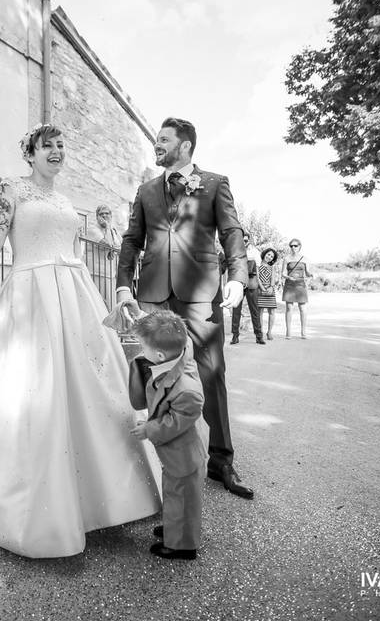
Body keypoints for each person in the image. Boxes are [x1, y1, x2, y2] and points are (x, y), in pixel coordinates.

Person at [0, 124, 162, 558]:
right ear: (31, 153)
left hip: (75, 297)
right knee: (26, 391)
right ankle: (22, 494)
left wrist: (102, 230)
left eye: (62, 145)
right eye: (48, 146)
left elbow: (82, 245)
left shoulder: (63, 200)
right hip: (30, 298)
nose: (57, 151)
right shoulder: (11, 191)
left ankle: (103, 492)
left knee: (91, 388)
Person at [116, 116, 254, 500]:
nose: (156, 144)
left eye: (164, 140)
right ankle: (167, 459)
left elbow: (231, 231)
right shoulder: (146, 190)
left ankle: (221, 459)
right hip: (155, 293)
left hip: (201, 294)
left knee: (211, 374)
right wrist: (124, 285)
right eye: (156, 139)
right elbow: (132, 240)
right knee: (157, 376)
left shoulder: (214, 183)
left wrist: (237, 277)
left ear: (186, 145)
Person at [128, 310, 205, 561]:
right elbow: (174, 332)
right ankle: (175, 527)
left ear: (159, 355)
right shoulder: (182, 351)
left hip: (183, 456)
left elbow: (174, 423)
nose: (141, 351)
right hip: (174, 456)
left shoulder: (188, 391)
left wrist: (148, 429)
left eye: (143, 347)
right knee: (173, 494)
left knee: (183, 499)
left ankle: (182, 546)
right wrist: (142, 317)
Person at [230, 233, 264, 345]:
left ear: (249, 240)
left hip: (251, 280)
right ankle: (235, 336)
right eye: (242, 240)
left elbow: (258, 270)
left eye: (245, 240)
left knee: (254, 310)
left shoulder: (254, 251)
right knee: (236, 310)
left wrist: (260, 284)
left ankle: (259, 336)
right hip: (238, 281)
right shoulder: (235, 250)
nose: (243, 242)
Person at [281, 239, 311, 339]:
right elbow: (283, 273)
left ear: (300, 246)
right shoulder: (287, 258)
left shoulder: (305, 259)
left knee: (303, 309)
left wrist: (310, 274)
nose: (293, 248)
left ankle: (303, 332)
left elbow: (307, 272)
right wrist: (289, 277)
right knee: (289, 308)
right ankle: (288, 332)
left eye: (295, 246)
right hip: (289, 285)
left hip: (300, 285)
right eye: (291, 246)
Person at [257, 248, 280, 340]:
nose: (269, 257)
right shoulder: (258, 264)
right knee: (260, 312)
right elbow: (257, 278)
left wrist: (271, 287)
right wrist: (262, 288)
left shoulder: (272, 267)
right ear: (264, 254)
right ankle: (260, 332)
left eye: (272, 256)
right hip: (260, 289)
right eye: (268, 254)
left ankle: (269, 332)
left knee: (272, 312)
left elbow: (273, 278)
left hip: (270, 290)